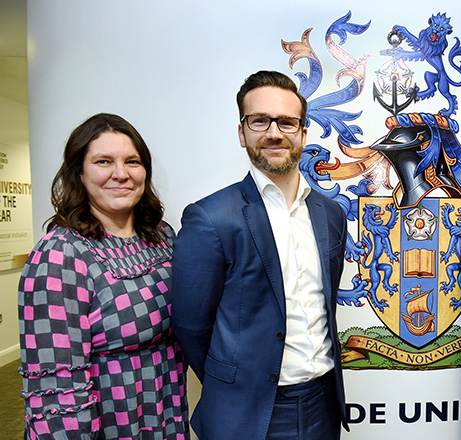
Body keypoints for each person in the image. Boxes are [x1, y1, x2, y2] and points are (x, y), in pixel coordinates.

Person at [170, 70, 348, 439]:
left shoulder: (331, 215)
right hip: (247, 413)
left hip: (323, 403)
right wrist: (233, 383)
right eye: (260, 120)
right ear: (242, 132)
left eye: (286, 122)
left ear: (302, 132)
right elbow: (190, 325)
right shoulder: (210, 218)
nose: (274, 133)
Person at [18, 113, 189, 439]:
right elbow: (55, 386)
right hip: (108, 420)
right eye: (103, 161)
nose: (121, 174)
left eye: (132, 162)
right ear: (79, 173)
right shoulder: (60, 254)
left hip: (165, 409)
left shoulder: (162, 236)